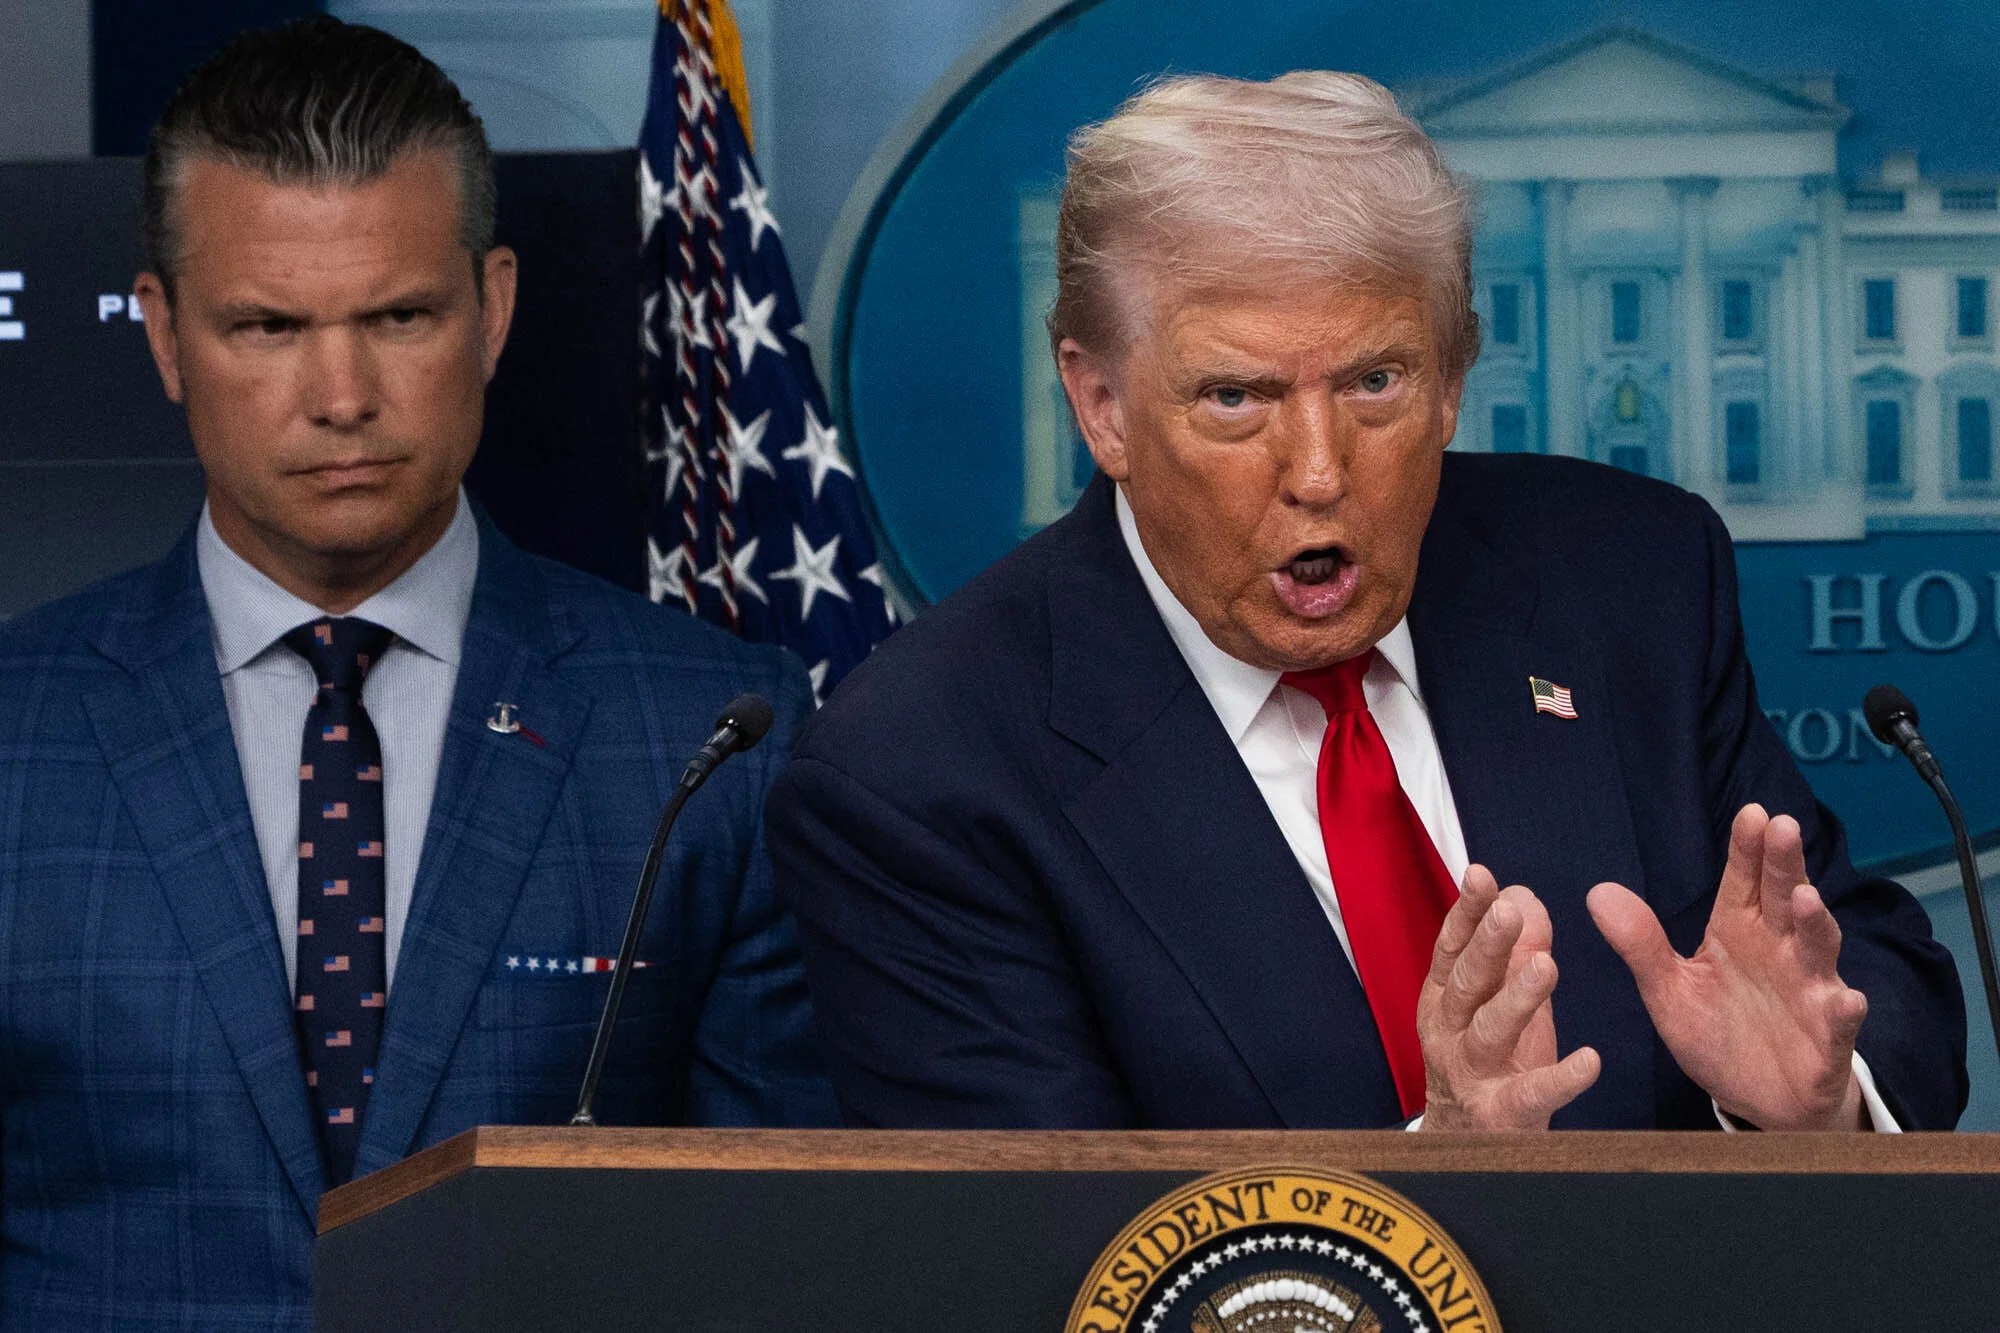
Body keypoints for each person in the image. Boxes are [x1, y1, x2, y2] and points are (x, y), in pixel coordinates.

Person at [765, 71, 1967, 1134]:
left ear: (1451, 380)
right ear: (1102, 407)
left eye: (1375, 381)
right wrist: (1423, 1192)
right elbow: (1025, 1265)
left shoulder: (1625, 578)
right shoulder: (917, 770)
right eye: (1234, 397)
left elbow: (1860, 984)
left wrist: (1812, 1100)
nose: (1319, 469)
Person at [0, 18, 832, 1327]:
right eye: (266, 326)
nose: (341, 394)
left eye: (399, 315)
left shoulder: (709, 738)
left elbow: (788, 1270)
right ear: (163, 336)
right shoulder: (15, 738)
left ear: (492, 308)